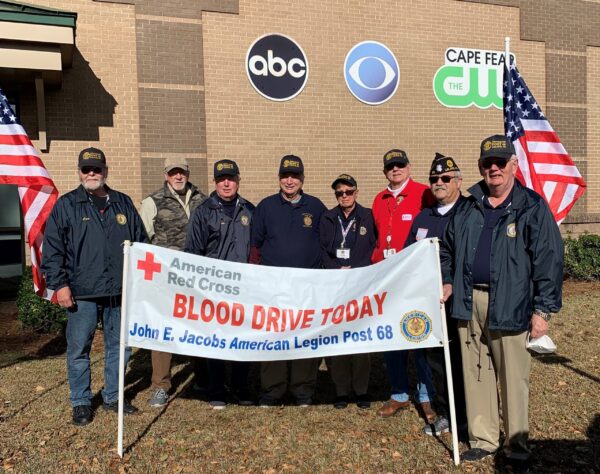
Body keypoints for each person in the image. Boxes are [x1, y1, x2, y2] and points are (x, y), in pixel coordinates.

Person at [440, 135, 563, 465]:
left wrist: (543, 310)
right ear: (480, 168)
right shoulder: (468, 205)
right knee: (475, 373)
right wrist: (448, 281)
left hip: (512, 303)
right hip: (469, 302)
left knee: (513, 378)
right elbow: (447, 249)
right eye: (487, 164)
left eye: (500, 162)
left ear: (513, 165)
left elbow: (549, 259)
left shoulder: (532, 207)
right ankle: (484, 437)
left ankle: (517, 445)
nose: (493, 169)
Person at [41, 147, 146, 426]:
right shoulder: (67, 205)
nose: (91, 173)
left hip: (118, 291)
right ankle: (81, 402)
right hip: (81, 293)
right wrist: (59, 285)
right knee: (79, 349)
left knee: (119, 348)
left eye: (96, 169)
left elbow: (141, 245)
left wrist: (141, 283)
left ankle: (113, 397)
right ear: (79, 172)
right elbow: (52, 250)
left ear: (105, 171)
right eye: (86, 169)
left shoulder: (123, 203)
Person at [250, 155, 327, 407]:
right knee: (274, 335)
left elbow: (326, 244)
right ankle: (272, 390)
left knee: (304, 335)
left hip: (307, 287)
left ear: (302, 178)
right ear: (279, 178)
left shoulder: (316, 207)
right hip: (274, 287)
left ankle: (302, 389)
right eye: (285, 176)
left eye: (294, 176)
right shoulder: (266, 206)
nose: (289, 180)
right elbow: (255, 246)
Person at [371, 148, 437, 421]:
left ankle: (426, 395)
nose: (395, 170)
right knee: (391, 338)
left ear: (409, 167)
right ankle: (399, 393)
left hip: (415, 279)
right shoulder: (379, 199)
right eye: (390, 167)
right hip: (387, 280)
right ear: (385, 171)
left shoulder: (424, 193)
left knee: (419, 334)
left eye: (400, 165)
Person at [405, 153, 467, 437]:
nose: (439, 183)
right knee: (435, 361)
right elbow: (409, 257)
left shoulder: (469, 213)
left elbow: (473, 258)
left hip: (459, 302)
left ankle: (467, 418)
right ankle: (445, 413)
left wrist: (452, 282)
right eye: (434, 179)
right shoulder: (423, 217)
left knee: (461, 361)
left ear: (458, 181)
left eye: (445, 178)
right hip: (429, 303)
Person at [185, 159, 255, 409]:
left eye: (231, 178)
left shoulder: (249, 210)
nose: (227, 183)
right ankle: (217, 389)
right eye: (222, 179)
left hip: (243, 287)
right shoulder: (203, 211)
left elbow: (255, 250)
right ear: (215, 182)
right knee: (215, 339)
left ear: (238, 180)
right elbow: (192, 252)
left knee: (242, 336)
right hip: (213, 287)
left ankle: (241, 386)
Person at [140, 157, 206, 408]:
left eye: (182, 172)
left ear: (188, 173)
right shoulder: (152, 202)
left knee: (201, 329)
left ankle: (203, 379)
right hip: (165, 280)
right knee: (163, 332)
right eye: (173, 173)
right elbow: (142, 239)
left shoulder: (204, 200)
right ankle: (161, 385)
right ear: (166, 174)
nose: (178, 177)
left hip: (198, 279)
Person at [320, 174, 376, 410]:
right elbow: (321, 250)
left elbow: (374, 247)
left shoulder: (368, 217)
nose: (344, 196)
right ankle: (341, 390)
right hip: (336, 286)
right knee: (339, 339)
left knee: (361, 339)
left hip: (361, 284)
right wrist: (336, 269)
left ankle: (361, 390)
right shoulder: (328, 218)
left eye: (348, 191)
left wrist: (357, 271)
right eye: (339, 193)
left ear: (356, 192)